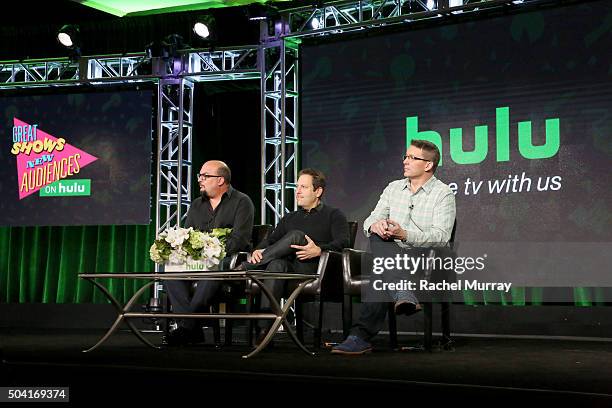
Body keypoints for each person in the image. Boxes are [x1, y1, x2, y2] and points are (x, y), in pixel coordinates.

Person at [332, 140, 456, 355]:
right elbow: (370, 220)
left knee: (382, 269)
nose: (405, 161)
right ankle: (401, 291)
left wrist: (404, 234)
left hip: (423, 259)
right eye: (405, 156)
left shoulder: (443, 194)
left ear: (428, 165)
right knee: (378, 237)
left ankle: (359, 337)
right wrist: (376, 225)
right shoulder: (393, 188)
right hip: (391, 257)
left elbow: (441, 237)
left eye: (412, 158)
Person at [240, 168, 349, 341]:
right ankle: (264, 332)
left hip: (316, 270)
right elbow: (270, 240)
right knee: (276, 265)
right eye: (297, 186)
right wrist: (258, 250)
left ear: (318, 191)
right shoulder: (289, 218)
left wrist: (319, 249)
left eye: (303, 187)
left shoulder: (334, 215)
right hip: (289, 269)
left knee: (296, 235)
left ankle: (247, 268)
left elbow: (344, 243)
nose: (297, 191)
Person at [164, 160, 254, 346]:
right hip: (197, 260)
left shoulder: (242, 202)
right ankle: (192, 329)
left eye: (205, 176)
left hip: (227, 260)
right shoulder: (197, 204)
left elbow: (240, 240)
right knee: (171, 268)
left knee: (214, 266)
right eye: (200, 176)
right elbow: (187, 235)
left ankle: (187, 327)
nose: (200, 180)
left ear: (220, 180)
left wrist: (212, 250)